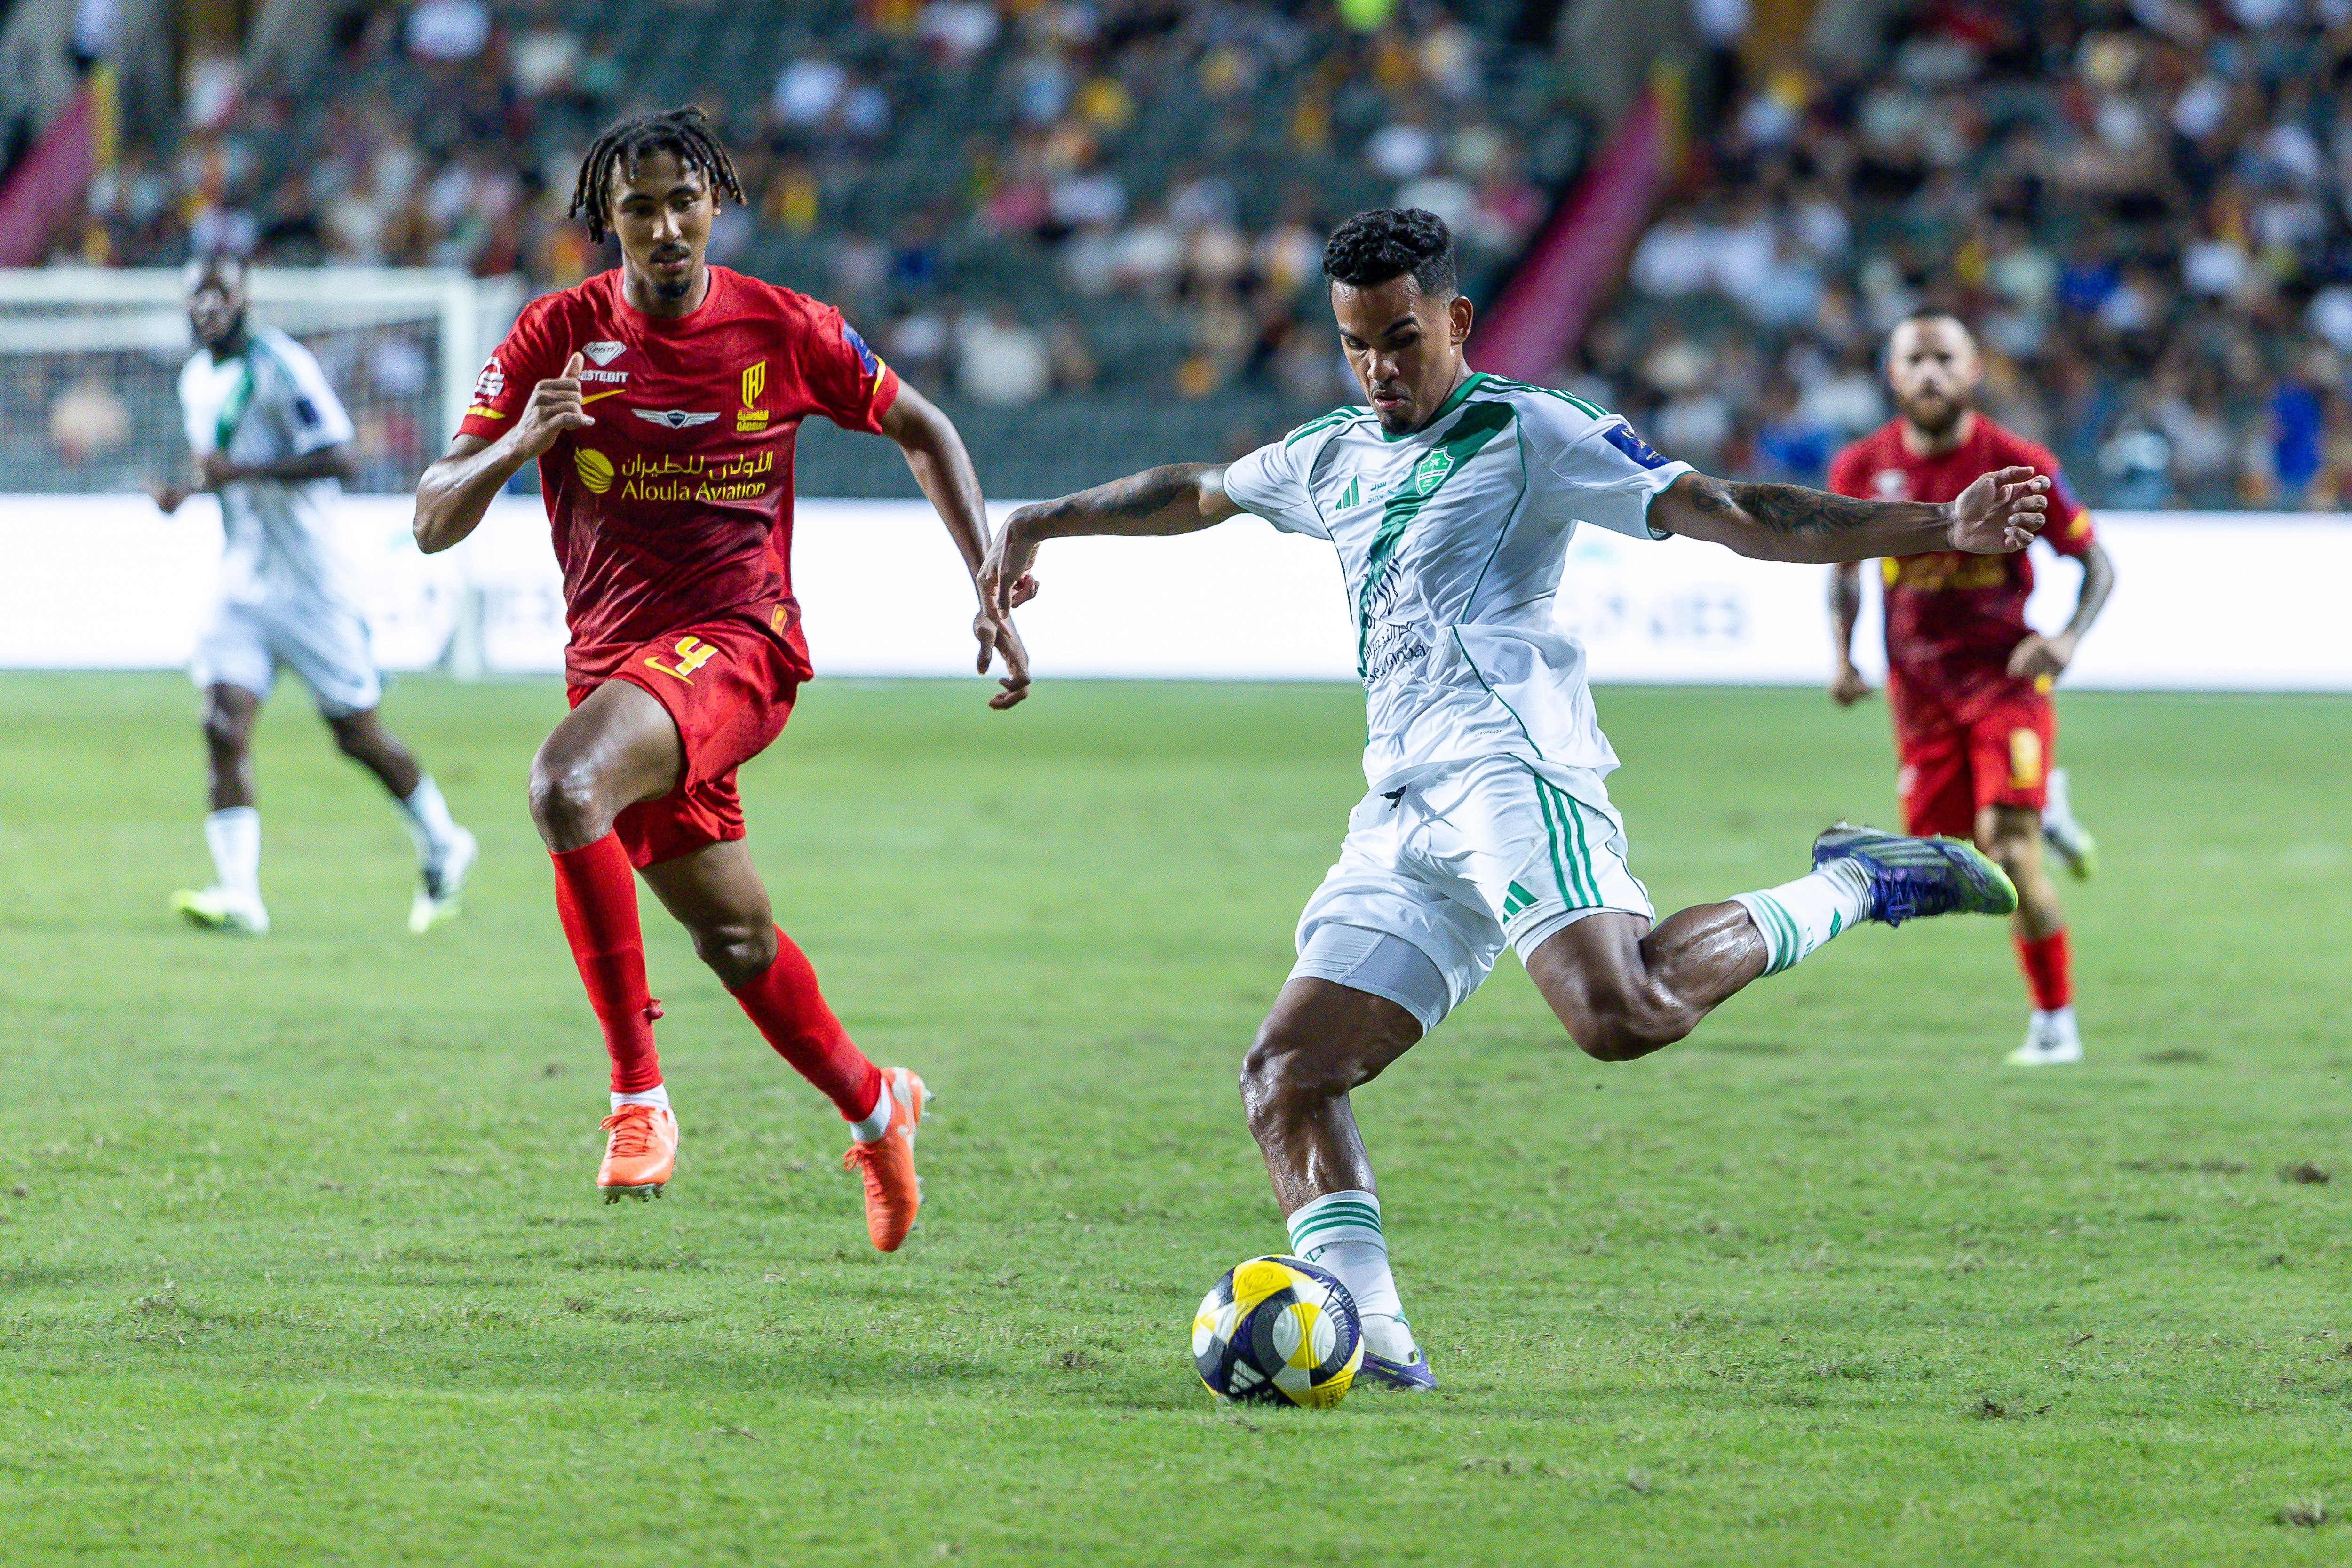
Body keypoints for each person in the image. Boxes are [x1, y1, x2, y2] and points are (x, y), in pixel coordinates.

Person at [980, 208, 2050, 1391]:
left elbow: (1733, 513)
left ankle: (1856, 878)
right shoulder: (1332, 450)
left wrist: (1935, 525)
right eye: (1355, 345)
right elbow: (1195, 490)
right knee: (1285, 1074)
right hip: (1400, 806)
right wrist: (1042, 518)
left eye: (1400, 337)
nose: (1381, 368)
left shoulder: (1534, 431)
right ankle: (1379, 1344)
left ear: (1455, 319)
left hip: (1512, 768)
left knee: (1622, 1011)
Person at [412, 107, 1028, 1247]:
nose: (664, 228)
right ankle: (873, 1100)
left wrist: (985, 578)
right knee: (736, 940)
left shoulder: (787, 327)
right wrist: (513, 446)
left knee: (562, 787)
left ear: (715, 205)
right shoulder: (554, 334)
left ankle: (637, 1096)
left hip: (741, 645)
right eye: (637, 208)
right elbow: (431, 521)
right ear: (607, 220)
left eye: (682, 202)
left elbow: (927, 428)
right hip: (620, 671)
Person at [152, 253, 477, 939]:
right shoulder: (194, 380)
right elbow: (221, 466)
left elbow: (340, 456)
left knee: (356, 735)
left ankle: (444, 839)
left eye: (221, 295)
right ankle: (240, 893)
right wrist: (189, 490)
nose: (209, 309)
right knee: (221, 723)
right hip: (243, 578)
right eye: (198, 299)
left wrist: (242, 471)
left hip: (313, 585)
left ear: (244, 299)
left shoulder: (282, 366)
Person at [1826, 311, 2114, 1067]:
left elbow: (2100, 565)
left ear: (1973, 370)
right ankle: (2044, 802)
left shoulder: (2018, 462)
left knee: (2010, 850)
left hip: (2005, 681)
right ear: (1892, 374)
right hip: (1919, 691)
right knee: (1947, 853)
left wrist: (2066, 638)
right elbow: (1844, 574)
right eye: (1914, 359)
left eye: (1943, 359)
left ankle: (2056, 1024)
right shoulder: (1863, 468)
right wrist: (1845, 661)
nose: (1929, 372)